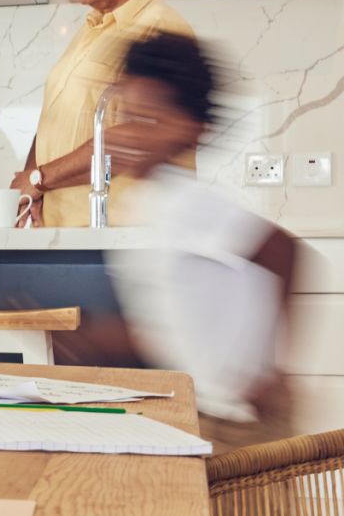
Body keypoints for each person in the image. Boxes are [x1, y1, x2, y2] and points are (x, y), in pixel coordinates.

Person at [106, 32, 296, 453]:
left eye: (149, 121)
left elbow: (284, 250)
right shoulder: (146, 202)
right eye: (126, 115)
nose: (129, 134)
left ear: (194, 129)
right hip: (199, 412)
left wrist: (273, 368)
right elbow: (174, 310)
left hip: (241, 424)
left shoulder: (190, 202)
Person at [10, 0, 195, 227]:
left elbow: (138, 139)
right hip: (68, 233)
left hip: (123, 238)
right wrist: (33, 186)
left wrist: (40, 178)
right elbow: (52, 118)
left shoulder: (161, 30)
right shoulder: (91, 29)